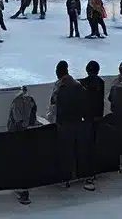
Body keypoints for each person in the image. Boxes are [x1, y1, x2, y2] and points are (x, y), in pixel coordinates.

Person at [47, 60, 91, 190]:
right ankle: (81, 175)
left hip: (65, 124)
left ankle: (66, 177)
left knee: (66, 152)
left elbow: (53, 104)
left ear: (58, 72)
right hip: (78, 122)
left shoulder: (59, 86)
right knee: (79, 150)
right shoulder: (78, 85)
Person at [7, 86, 39, 205]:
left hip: (18, 134)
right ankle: (24, 189)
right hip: (27, 134)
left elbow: (17, 121)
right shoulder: (31, 100)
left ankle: (23, 191)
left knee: (19, 162)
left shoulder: (16, 102)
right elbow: (32, 118)